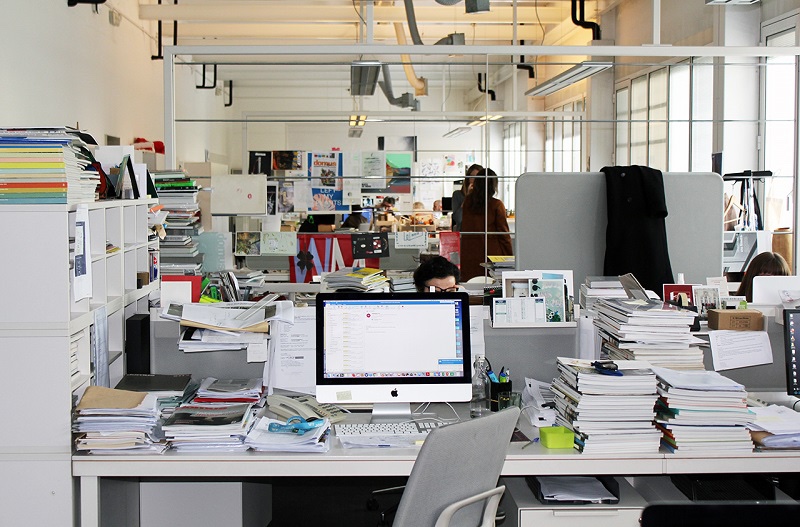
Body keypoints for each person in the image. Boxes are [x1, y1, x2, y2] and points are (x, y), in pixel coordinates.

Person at [460, 168, 513, 281]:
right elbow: (503, 235)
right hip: (491, 255)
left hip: (469, 253)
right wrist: (510, 258)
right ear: (493, 185)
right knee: (491, 286)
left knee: (471, 285)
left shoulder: (467, 203)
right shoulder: (496, 205)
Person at [452, 164, 483, 232]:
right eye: (472, 177)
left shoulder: (484, 197)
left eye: (478, 177)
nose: (475, 180)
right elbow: (458, 219)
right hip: (463, 233)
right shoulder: (458, 195)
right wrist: (468, 198)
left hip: (480, 234)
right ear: (468, 179)